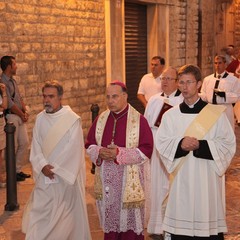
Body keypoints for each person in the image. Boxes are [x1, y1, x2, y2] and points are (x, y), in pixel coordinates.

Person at [155, 64, 236, 240]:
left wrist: (201, 145)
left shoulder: (215, 114)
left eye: (189, 82)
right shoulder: (170, 115)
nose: (184, 87)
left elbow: (228, 144)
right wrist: (180, 144)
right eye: (181, 82)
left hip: (206, 179)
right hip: (181, 180)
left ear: (198, 84)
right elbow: (161, 143)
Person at [22, 81, 91, 240]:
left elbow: (73, 149)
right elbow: (36, 145)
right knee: (39, 216)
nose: (46, 100)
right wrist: (42, 165)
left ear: (60, 97)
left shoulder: (72, 120)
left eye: (51, 96)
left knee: (63, 222)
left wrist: (56, 170)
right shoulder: (40, 118)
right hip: (44, 177)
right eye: (44, 96)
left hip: (64, 179)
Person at [85, 81, 153, 240]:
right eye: (108, 97)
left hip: (128, 182)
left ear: (125, 96)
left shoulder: (139, 120)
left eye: (114, 96)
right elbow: (89, 144)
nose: (110, 101)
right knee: (111, 226)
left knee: (129, 229)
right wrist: (100, 152)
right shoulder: (101, 119)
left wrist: (118, 154)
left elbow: (146, 150)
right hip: (108, 182)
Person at [144, 67, 183, 239]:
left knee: (171, 184)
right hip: (155, 148)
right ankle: (156, 226)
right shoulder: (153, 100)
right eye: (162, 78)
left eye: (168, 78)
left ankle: (172, 224)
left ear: (177, 81)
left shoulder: (183, 101)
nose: (164, 81)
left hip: (173, 148)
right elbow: (146, 124)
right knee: (155, 185)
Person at [0, 56, 30, 181]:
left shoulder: (13, 81)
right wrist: (21, 114)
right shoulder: (2, 82)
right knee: (11, 146)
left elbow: (18, 97)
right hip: (11, 116)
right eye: (15, 64)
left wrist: (25, 111)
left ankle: (17, 170)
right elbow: (10, 104)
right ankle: (11, 172)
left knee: (24, 143)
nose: (16, 66)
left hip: (19, 115)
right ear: (9, 67)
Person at [200, 55, 240, 129]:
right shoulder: (207, 79)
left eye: (220, 63)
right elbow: (204, 95)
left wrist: (225, 95)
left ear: (225, 64)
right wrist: (196, 95)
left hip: (225, 110)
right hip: (210, 110)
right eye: (215, 63)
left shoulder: (233, 80)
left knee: (226, 132)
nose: (217, 65)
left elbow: (237, 96)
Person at [0, 82, 7, 188]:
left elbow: (4, 106)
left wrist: (4, 91)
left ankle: (0, 177)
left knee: (0, 151)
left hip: (1, 121)